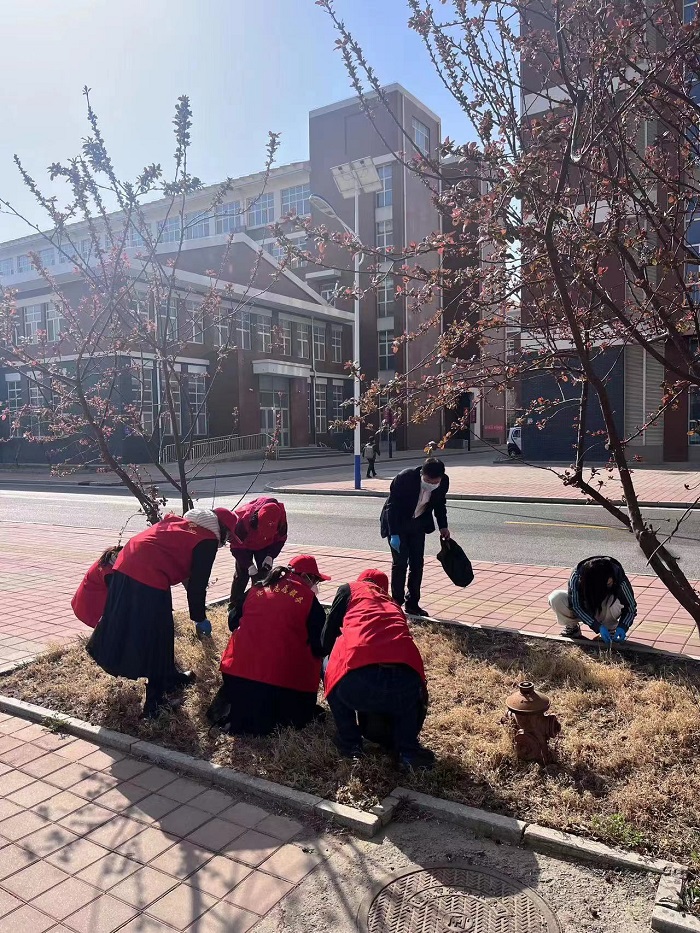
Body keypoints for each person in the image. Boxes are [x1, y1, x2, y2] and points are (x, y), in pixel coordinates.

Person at [87, 507, 237, 718]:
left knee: (162, 628)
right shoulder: (207, 540)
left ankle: (169, 675)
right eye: (228, 536)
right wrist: (199, 618)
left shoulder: (181, 524)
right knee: (157, 635)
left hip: (125, 566)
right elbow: (197, 585)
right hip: (147, 575)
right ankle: (155, 704)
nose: (226, 541)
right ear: (221, 528)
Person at [322, 569, 434, 769]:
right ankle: (407, 751)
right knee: (405, 681)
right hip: (407, 688)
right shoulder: (393, 606)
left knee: (330, 662)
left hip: (357, 684)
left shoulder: (350, 590)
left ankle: (350, 744)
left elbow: (326, 639)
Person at [207, 555, 329, 736]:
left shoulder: (257, 588)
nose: (316, 585)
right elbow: (320, 647)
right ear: (306, 577)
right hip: (281, 683)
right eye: (316, 580)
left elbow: (232, 622)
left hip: (237, 676)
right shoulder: (310, 602)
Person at [379, 457, 450, 617]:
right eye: (428, 480)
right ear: (421, 473)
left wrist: (443, 526)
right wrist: (394, 534)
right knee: (400, 563)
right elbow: (392, 507)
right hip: (397, 523)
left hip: (418, 523)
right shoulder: (405, 478)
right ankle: (396, 602)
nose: (431, 484)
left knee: (417, 563)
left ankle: (412, 603)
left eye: (435, 481)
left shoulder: (444, 482)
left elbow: (440, 504)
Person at [548, 555, 637, 642]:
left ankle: (609, 630)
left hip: (606, 608)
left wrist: (623, 627)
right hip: (586, 606)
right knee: (556, 597)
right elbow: (576, 606)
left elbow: (630, 607)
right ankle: (572, 628)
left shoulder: (618, 576)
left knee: (614, 601)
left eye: (610, 582)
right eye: (607, 584)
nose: (611, 583)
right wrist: (597, 626)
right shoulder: (577, 576)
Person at [227, 497, 288, 609]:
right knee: (242, 574)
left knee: (264, 575)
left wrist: (270, 556)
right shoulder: (244, 521)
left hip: (265, 546)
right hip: (244, 546)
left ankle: (259, 603)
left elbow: (280, 539)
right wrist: (249, 565)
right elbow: (236, 546)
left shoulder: (280, 517)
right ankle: (234, 606)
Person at [71, 545, 123, 629]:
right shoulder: (109, 573)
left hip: (84, 602)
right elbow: (120, 594)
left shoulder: (108, 560)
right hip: (92, 606)